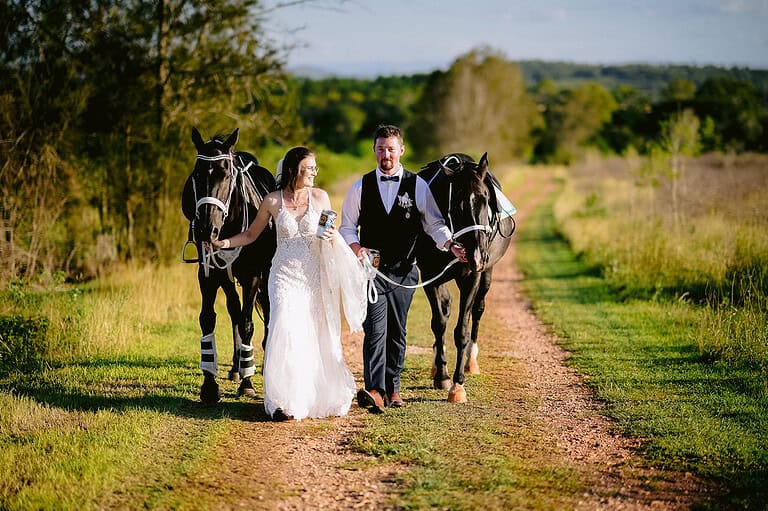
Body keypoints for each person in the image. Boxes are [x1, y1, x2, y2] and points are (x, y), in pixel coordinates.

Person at [212, 147, 367, 421]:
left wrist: (331, 236)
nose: (315, 173)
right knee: (284, 328)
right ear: (295, 170)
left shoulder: (321, 198)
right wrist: (222, 243)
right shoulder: (272, 201)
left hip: (312, 276)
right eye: (310, 168)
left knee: (309, 334)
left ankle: (309, 396)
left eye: (315, 168)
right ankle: (284, 401)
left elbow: (327, 236)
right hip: (282, 275)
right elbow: (249, 235)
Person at [340, 125, 466, 413]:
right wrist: (357, 249)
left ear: (401, 151)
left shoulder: (417, 185)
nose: (386, 154)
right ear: (374, 150)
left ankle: (394, 388)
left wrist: (450, 245)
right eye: (381, 148)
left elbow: (433, 224)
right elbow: (347, 227)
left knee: (397, 332)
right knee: (375, 331)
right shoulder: (361, 186)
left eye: (391, 149)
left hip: (404, 272)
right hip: (371, 274)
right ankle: (375, 389)